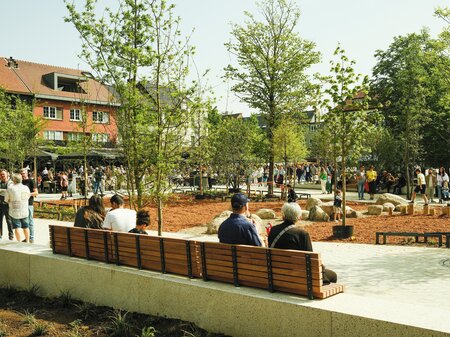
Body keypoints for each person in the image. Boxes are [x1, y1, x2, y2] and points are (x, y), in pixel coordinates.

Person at [268, 203, 337, 285]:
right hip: (298, 276)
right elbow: (311, 260)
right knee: (333, 275)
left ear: (283, 216)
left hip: (276, 273)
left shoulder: (273, 230)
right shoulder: (302, 234)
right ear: (299, 217)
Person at [5, 173, 31, 242]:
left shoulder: (10, 188)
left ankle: (19, 242)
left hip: (14, 211)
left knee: (16, 227)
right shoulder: (26, 188)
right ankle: (27, 241)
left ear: (13, 180)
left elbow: (6, 200)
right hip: (24, 210)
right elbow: (28, 197)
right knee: (26, 226)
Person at [20, 168, 38, 243]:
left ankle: (31, 238)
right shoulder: (20, 182)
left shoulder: (31, 181)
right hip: (21, 204)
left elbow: (36, 193)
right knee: (24, 221)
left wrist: (28, 194)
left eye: (23, 173)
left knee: (30, 221)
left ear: (27, 173)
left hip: (29, 203)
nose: (22, 174)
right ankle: (26, 237)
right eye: (21, 173)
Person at [0, 169, 13, 240]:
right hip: (0, 203)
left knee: (9, 220)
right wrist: (4, 191)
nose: (2, 176)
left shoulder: (10, 182)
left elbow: (9, 191)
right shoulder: (0, 182)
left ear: (7, 174)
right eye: (1, 174)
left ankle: (11, 236)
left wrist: (1, 190)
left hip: (7, 204)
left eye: (3, 174)